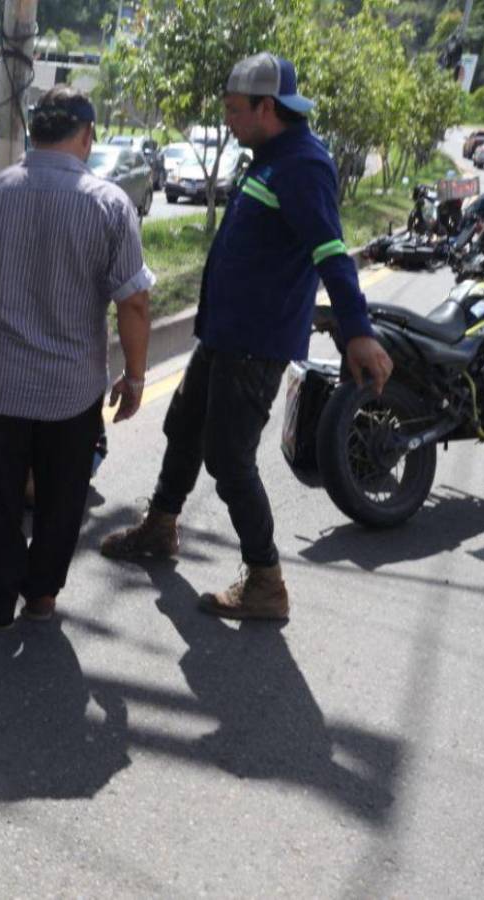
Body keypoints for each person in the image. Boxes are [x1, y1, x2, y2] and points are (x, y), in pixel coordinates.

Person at [100, 53, 393, 622]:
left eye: (235, 111)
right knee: (184, 426)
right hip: (225, 333)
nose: (228, 121)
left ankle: (265, 580)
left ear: (267, 107)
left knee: (229, 461)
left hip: (256, 340)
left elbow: (332, 251)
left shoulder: (302, 165)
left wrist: (357, 330)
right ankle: (160, 526)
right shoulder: (269, 159)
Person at [0, 85, 155, 631]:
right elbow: (133, 301)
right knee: (62, 497)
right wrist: (134, 377)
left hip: (0, 383)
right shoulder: (110, 205)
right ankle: (41, 596)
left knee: (2, 493)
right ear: (87, 137)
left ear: (34, 132)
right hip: (73, 390)